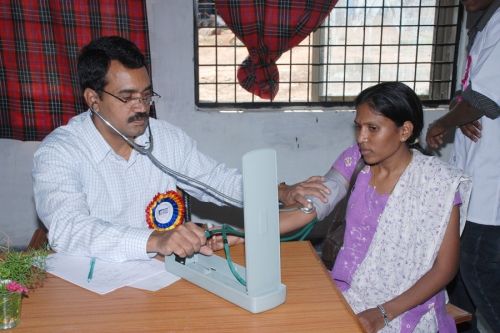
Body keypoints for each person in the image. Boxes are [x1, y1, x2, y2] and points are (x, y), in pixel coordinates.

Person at [32, 36, 326, 262]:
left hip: (162, 272)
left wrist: (279, 192)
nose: (141, 108)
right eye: (127, 97)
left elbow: (218, 182)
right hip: (95, 279)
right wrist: (156, 240)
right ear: (93, 99)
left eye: (146, 96)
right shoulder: (59, 153)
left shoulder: (165, 139)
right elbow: (69, 229)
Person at [277, 82, 472, 333]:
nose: (361, 138)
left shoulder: (438, 183)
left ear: (404, 131)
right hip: (348, 291)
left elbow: (445, 268)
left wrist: (382, 314)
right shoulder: (355, 160)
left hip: (406, 305)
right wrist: (242, 232)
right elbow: (311, 207)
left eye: (373, 128)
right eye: (358, 127)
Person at [426, 0, 500, 331]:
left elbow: (486, 98)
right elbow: (472, 93)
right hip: (474, 173)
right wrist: (462, 107)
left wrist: (445, 123)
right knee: (458, 275)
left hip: (491, 180)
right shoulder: (479, 24)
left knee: (477, 267)